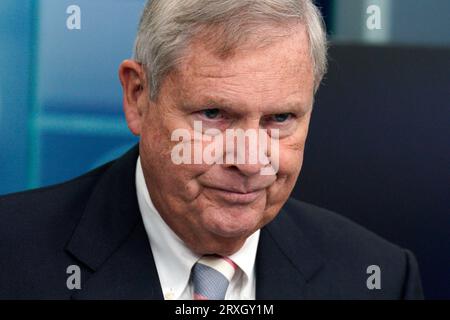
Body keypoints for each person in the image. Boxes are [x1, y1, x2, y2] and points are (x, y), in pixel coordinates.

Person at [0, 0, 423, 299]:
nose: (251, 160)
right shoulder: (11, 259)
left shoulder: (380, 279)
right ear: (138, 97)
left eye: (280, 119)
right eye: (215, 113)